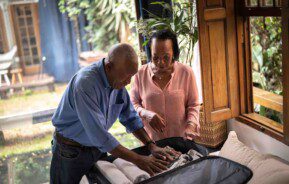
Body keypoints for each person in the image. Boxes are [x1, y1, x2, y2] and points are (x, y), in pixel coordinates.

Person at [50, 43, 180, 184]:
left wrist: (150, 145)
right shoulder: (85, 84)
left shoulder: (116, 81)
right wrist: (139, 160)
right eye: (125, 77)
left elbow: (130, 118)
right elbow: (100, 136)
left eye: (131, 76)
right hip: (70, 152)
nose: (128, 82)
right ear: (108, 67)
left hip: (97, 149)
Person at [130, 30, 200, 141]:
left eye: (166, 57)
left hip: (181, 140)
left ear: (174, 53)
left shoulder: (186, 72)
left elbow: (193, 105)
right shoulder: (140, 74)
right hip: (152, 142)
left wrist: (191, 127)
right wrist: (146, 114)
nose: (160, 63)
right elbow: (133, 104)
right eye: (155, 57)